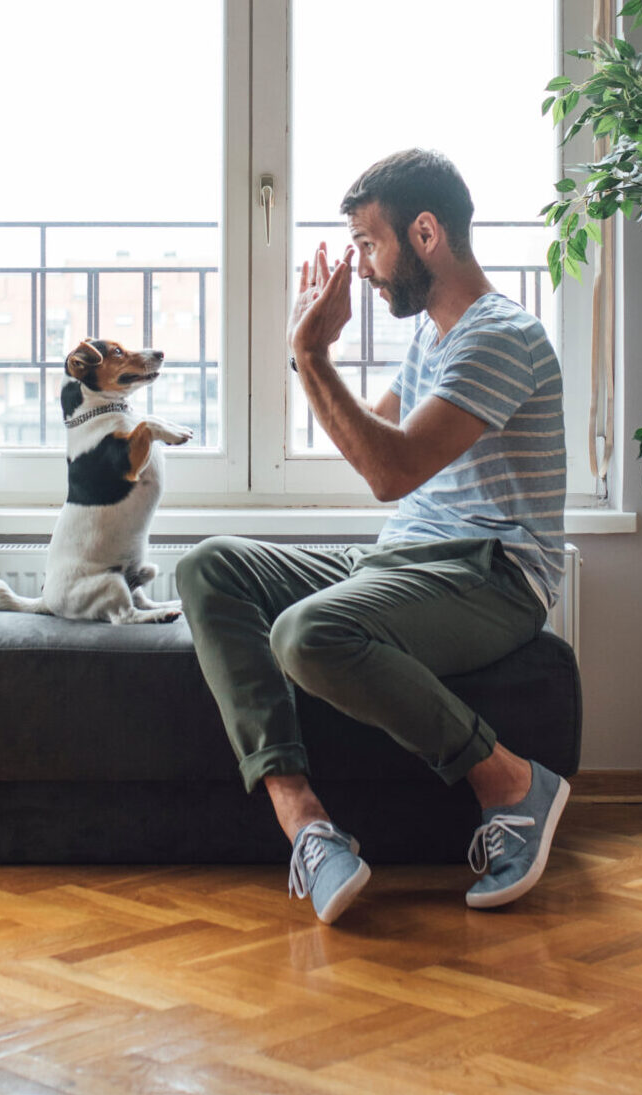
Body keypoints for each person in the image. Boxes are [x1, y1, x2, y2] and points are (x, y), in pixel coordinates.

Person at [176, 148, 569, 924]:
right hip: (406, 557)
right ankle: (308, 827)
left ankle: (514, 782)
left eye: (368, 243)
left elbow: (390, 470)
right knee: (208, 566)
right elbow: (373, 447)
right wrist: (309, 357)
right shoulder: (433, 338)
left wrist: (311, 355)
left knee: (308, 632)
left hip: (491, 574)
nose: (362, 267)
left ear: (426, 232)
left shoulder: (501, 335)